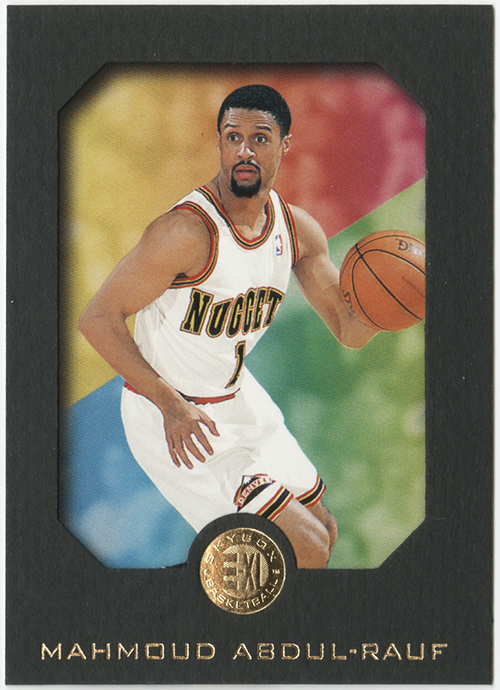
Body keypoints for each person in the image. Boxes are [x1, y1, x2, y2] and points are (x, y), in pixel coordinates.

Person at [79, 84, 378, 569]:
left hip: (238, 398)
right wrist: (170, 405)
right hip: (173, 415)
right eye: (233, 137)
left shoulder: (297, 230)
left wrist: (393, 303)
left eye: (260, 138)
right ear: (219, 141)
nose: (244, 150)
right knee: (304, 548)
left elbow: (351, 331)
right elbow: (97, 319)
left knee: (322, 528)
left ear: (284, 145)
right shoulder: (184, 232)